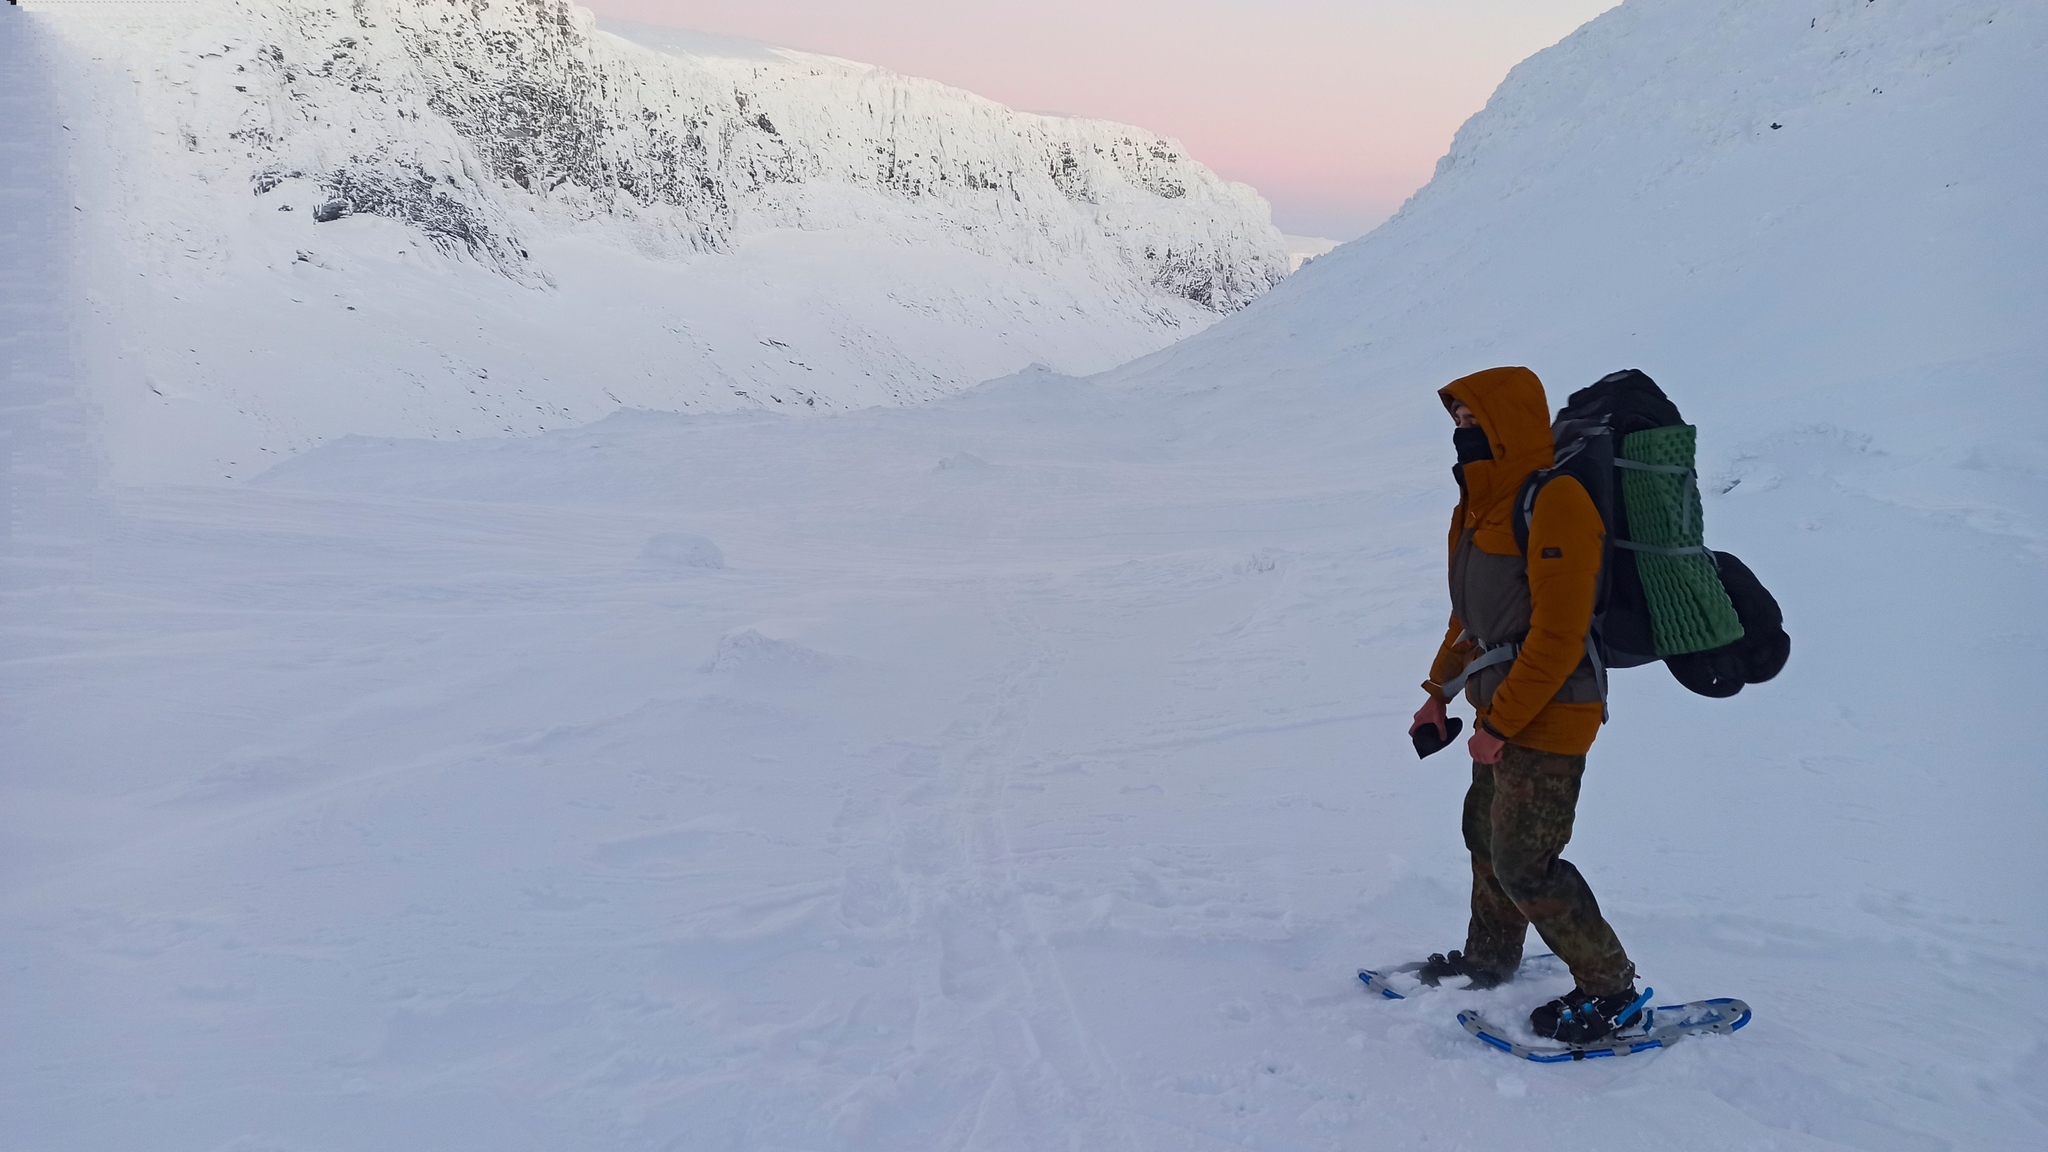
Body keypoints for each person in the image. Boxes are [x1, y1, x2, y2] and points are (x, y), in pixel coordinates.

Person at [1406, 365, 1645, 1045]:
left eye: (1474, 422)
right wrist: (1437, 695)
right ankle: (1489, 959)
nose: (1463, 434)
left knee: (1525, 861)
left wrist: (1502, 722)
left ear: (1508, 424)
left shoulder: (1556, 501)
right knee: (1484, 835)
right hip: (1501, 709)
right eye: (1456, 422)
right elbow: (1470, 620)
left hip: (1554, 710)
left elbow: (1560, 634)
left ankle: (1611, 990)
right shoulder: (1479, 503)